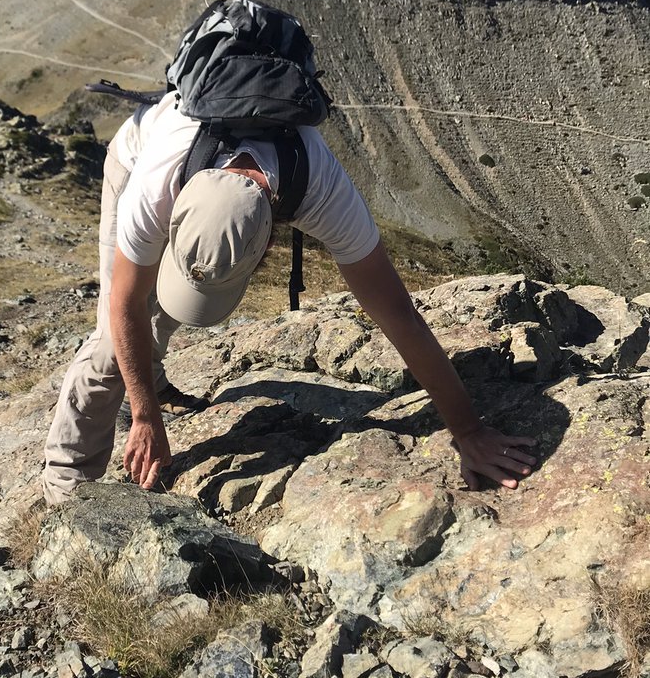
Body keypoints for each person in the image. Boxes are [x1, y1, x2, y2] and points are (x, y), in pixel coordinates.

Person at [41, 90, 537, 505]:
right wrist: (144, 414)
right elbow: (124, 304)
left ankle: (150, 371)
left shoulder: (322, 189)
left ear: (267, 246)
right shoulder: (153, 189)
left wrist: (468, 430)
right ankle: (66, 486)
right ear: (172, 220)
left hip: (214, 172)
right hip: (133, 156)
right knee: (111, 341)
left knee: (167, 306)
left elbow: (399, 316)